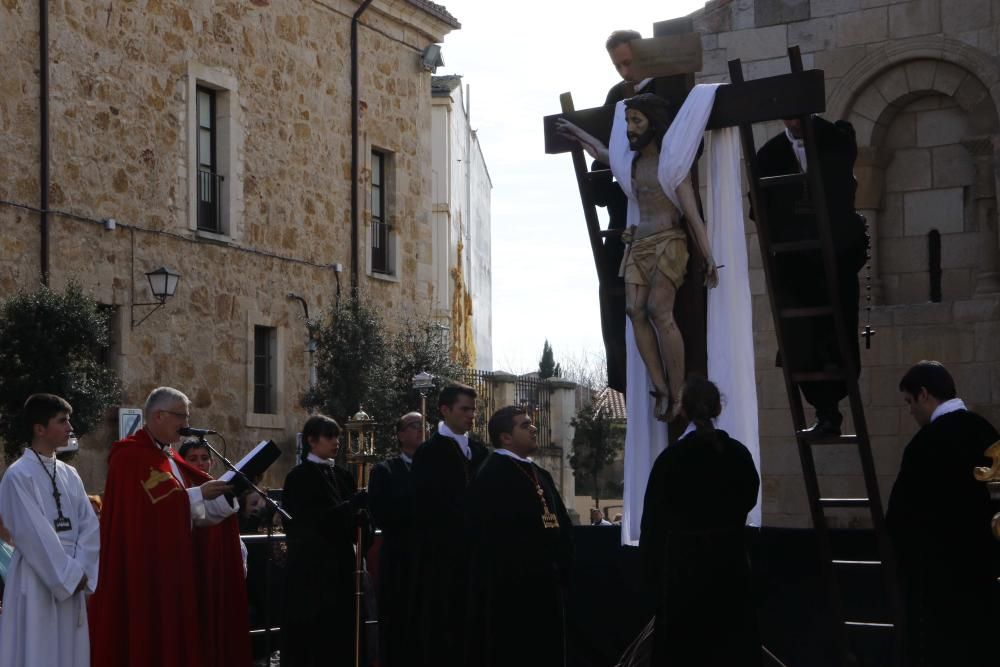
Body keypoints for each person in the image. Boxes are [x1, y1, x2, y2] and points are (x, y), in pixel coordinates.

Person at [558, 94, 719, 420]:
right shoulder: (631, 165)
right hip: (639, 243)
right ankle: (660, 386)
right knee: (634, 311)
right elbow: (601, 153)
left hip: (667, 242)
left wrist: (709, 255)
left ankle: (678, 392)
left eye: (637, 121)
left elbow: (692, 215)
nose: (630, 129)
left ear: (653, 124)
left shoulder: (672, 166)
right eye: (628, 121)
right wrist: (578, 132)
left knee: (660, 312)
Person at [88, 387, 251, 667]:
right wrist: (201, 493)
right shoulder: (129, 456)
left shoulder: (170, 459)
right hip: (146, 569)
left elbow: (190, 513)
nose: (186, 424)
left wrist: (225, 497)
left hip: (177, 566)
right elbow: (150, 512)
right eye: (181, 416)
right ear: (159, 416)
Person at [754, 114, 868, 436]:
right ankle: (825, 411)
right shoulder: (769, 154)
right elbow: (760, 209)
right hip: (796, 264)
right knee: (801, 339)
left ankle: (834, 402)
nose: (792, 120)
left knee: (836, 333)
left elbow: (844, 187)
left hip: (834, 258)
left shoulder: (833, 138)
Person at [640, 376, 761, 666]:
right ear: (718, 408)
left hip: (685, 569)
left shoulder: (671, 459)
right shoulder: (738, 455)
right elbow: (748, 499)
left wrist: (652, 575)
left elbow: (654, 521)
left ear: (682, 410)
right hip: (729, 563)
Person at [886, 361, 1000, 667]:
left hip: (939, 585)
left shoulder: (926, 444)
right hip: (985, 574)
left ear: (924, 395)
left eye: (910, 401)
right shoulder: (986, 432)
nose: (910, 411)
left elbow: (900, 517)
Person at [464, 406, 573, 667]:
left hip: (545, 584)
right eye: (524, 425)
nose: (533, 429)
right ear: (505, 437)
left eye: (532, 424)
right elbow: (489, 535)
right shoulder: (492, 474)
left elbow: (562, 524)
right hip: (511, 591)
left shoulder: (540, 474)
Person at [0, 394, 99, 667]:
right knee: (39, 650)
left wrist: (83, 569)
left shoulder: (70, 474)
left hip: (74, 574)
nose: (70, 427)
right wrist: (68, 574)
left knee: (70, 652)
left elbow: (89, 525)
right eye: (62, 421)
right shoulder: (18, 475)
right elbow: (32, 533)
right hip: (38, 577)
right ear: (39, 428)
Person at [408, 383, 489, 667]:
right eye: (464, 409)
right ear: (445, 410)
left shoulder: (479, 452)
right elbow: (424, 506)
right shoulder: (429, 453)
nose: (471, 416)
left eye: (473, 410)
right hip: (441, 560)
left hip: (475, 557)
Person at [281, 414, 366, 667]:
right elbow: (306, 524)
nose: (336, 442)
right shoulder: (298, 478)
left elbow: (355, 526)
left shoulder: (343, 476)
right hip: (312, 574)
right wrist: (349, 508)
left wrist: (363, 520)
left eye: (337, 436)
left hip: (341, 569)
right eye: (330, 437)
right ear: (311, 440)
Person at [368, 411, 421, 667]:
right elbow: (381, 513)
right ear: (400, 435)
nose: (421, 430)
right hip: (400, 559)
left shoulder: (437, 467)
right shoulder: (385, 470)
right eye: (414, 426)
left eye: (425, 425)